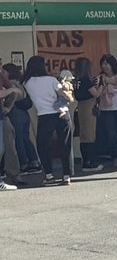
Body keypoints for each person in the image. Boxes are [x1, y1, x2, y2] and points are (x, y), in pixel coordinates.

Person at [22, 56, 72, 184]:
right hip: (61, 113)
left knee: (43, 146)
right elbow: (64, 95)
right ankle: (66, 175)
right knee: (64, 144)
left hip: (44, 115)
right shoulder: (51, 80)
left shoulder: (27, 82)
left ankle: (49, 175)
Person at [90, 54, 117, 169]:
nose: (104, 66)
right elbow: (95, 92)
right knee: (111, 135)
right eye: (103, 63)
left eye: (107, 63)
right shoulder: (100, 78)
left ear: (112, 64)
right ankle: (116, 158)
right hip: (106, 109)